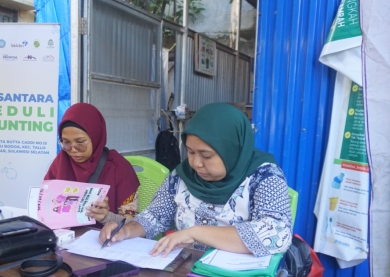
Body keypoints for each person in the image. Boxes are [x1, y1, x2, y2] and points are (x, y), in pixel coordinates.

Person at [1, 102, 140, 277]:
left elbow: (135, 224)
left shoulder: (119, 168)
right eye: (65, 143)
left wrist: (107, 217)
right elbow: (44, 205)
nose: (73, 150)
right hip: (64, 247)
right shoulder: (60, 162)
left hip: (102, 254)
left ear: (96, 136)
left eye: (80, 143)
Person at [99, 102, 292, 259]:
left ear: (232, 150)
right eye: (190, 152)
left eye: (206, 156)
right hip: (184, 270)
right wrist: (126, 231)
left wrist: (195, 232)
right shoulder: (182, 175)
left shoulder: (264, 177)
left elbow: (277, 234)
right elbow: (155, 217)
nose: (196, 163)